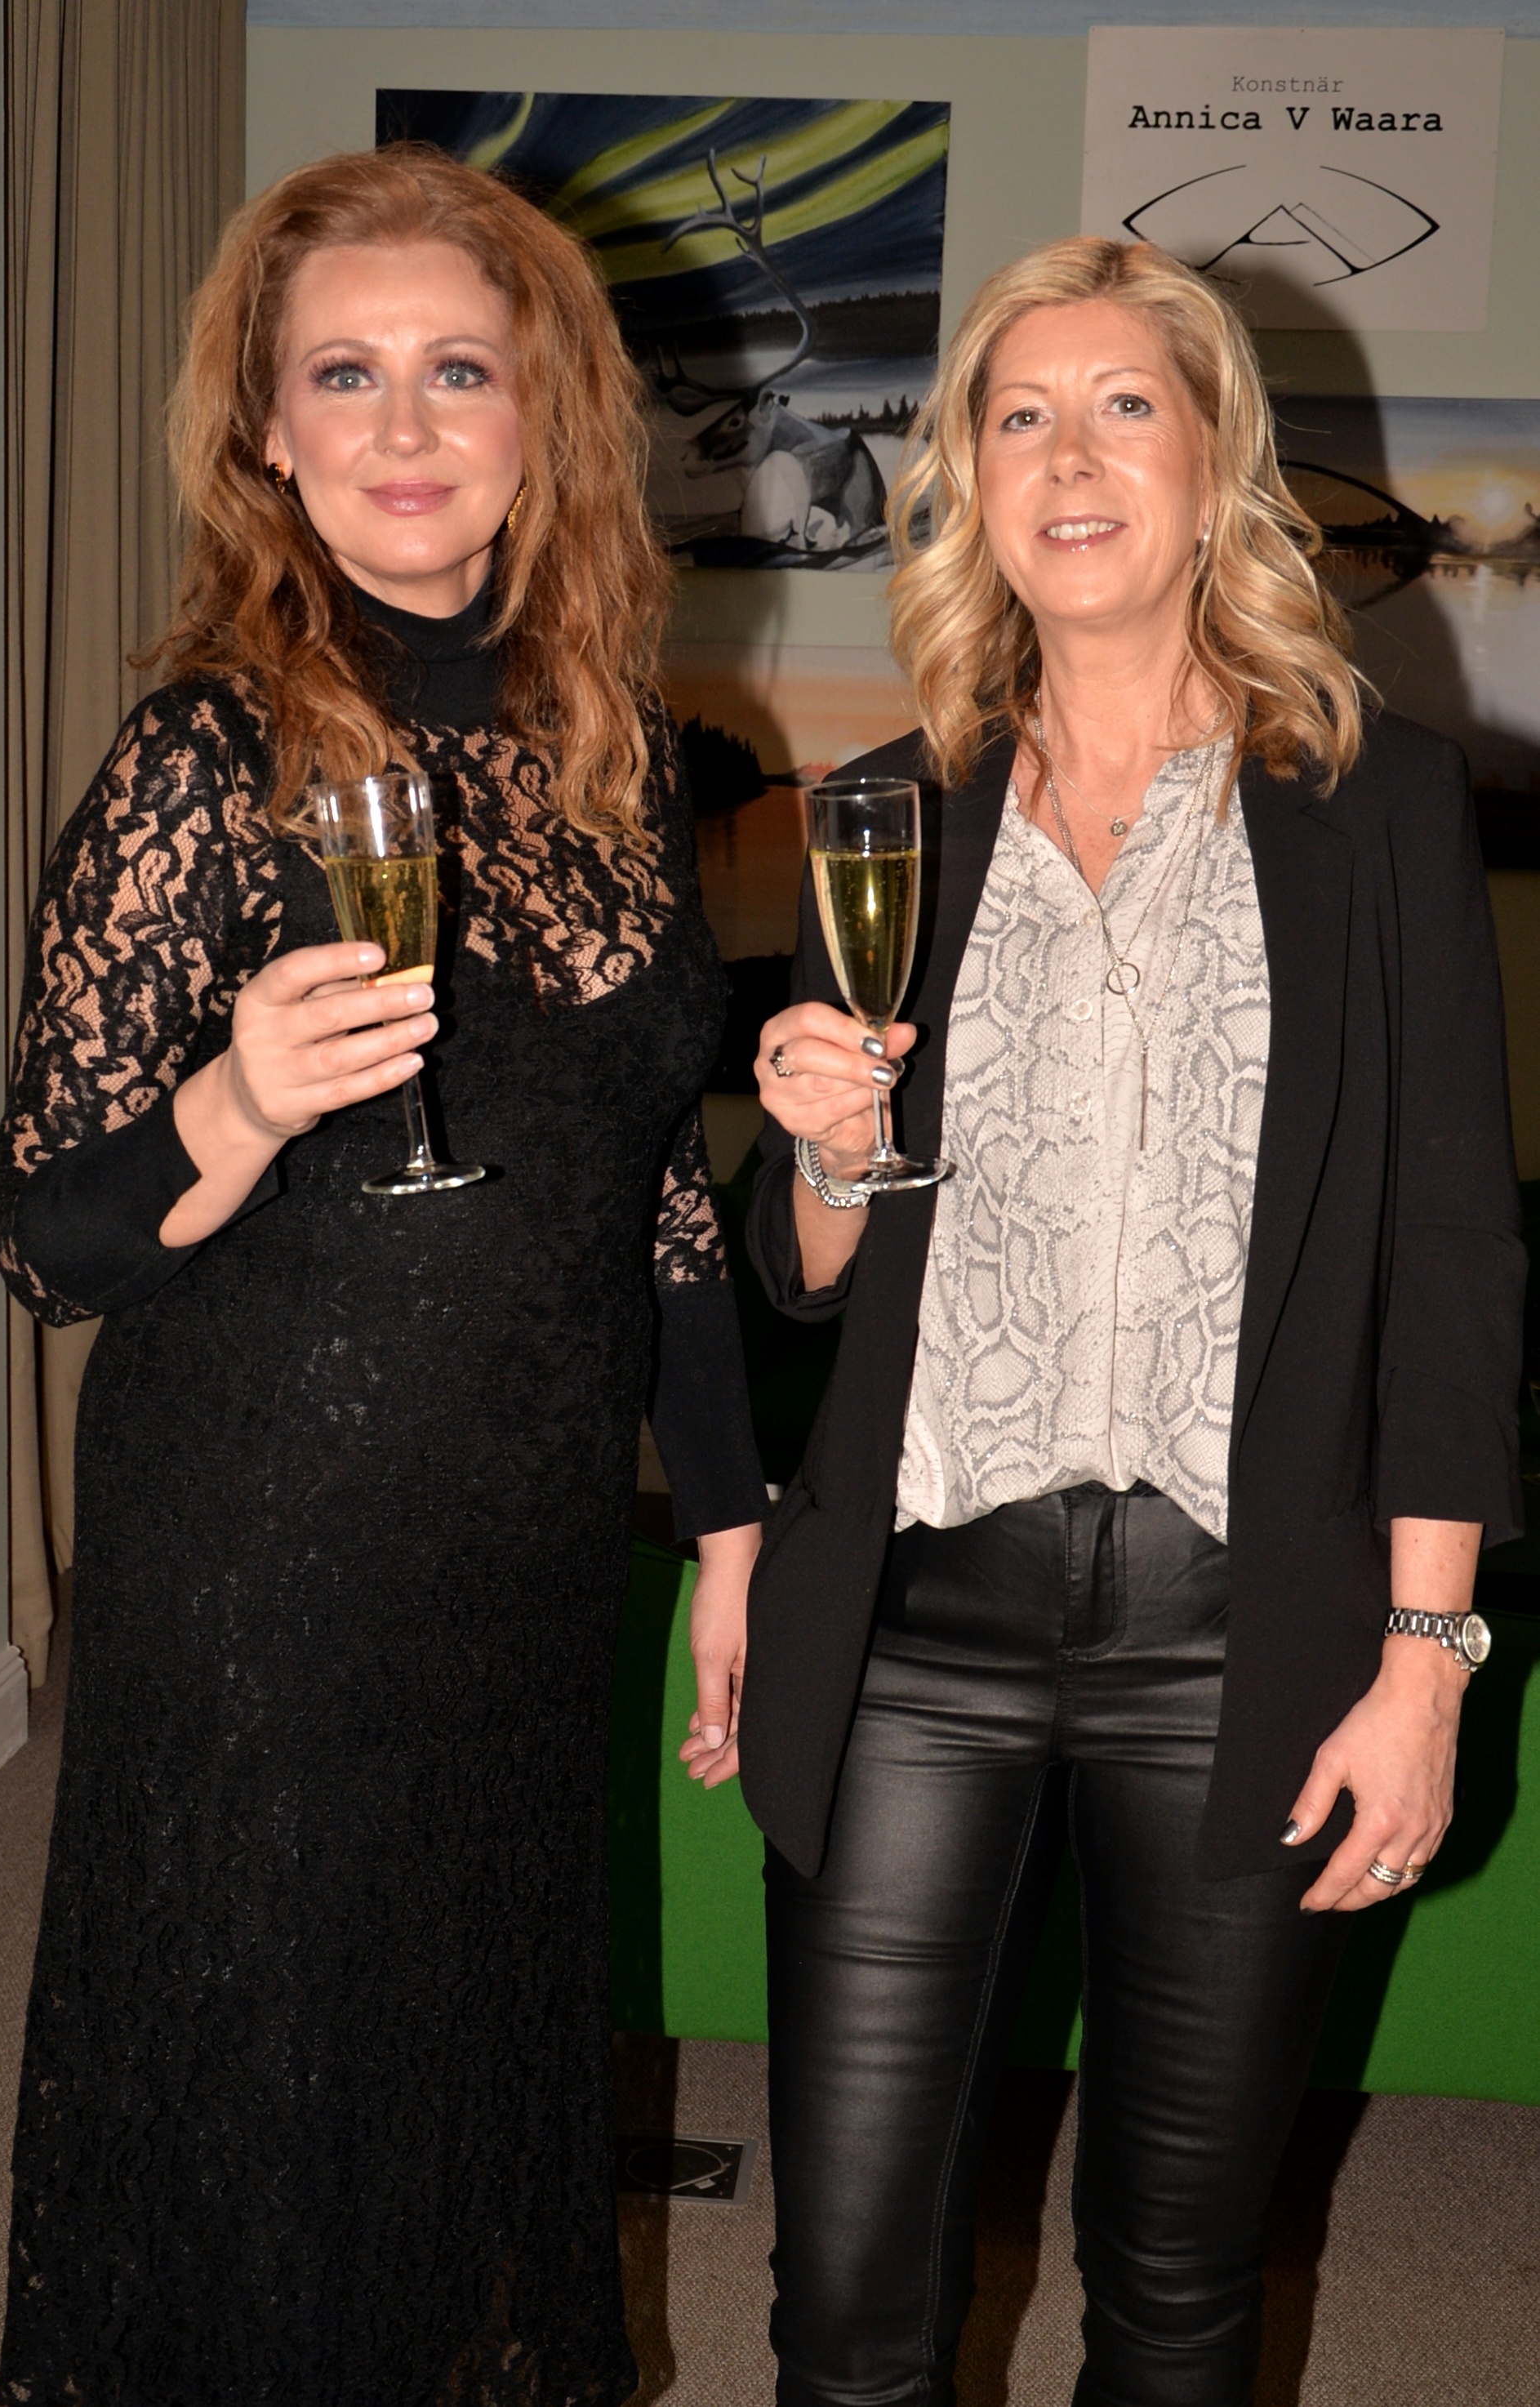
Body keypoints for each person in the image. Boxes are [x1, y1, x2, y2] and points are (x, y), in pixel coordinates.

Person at [0, 144, 763, 2407]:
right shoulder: (204, 758)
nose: (406, 428)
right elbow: (39, 1232)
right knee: (270, 2081)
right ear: (266, 431)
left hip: (522, 1544)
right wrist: (233, 1106)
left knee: (467, 2047)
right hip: (265, 1543)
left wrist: (729, 1520)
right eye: (346, 375)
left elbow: (651, 1181)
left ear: (546, 417)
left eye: (459, 371)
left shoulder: (617, 755)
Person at [743, 236, 1523, 2407]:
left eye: (1121, 408)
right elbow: (804, 1276)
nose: (1069, 460)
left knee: (1176, 2295)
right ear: (969, 483)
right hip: (915, 1626)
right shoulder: (886, 812)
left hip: (1236, 1628)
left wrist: (1426, 1659)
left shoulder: (1378, 806)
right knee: (844, 2304)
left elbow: (1453, 1256)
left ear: (1212, 463)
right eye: (1019, 416)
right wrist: (820, 1154)